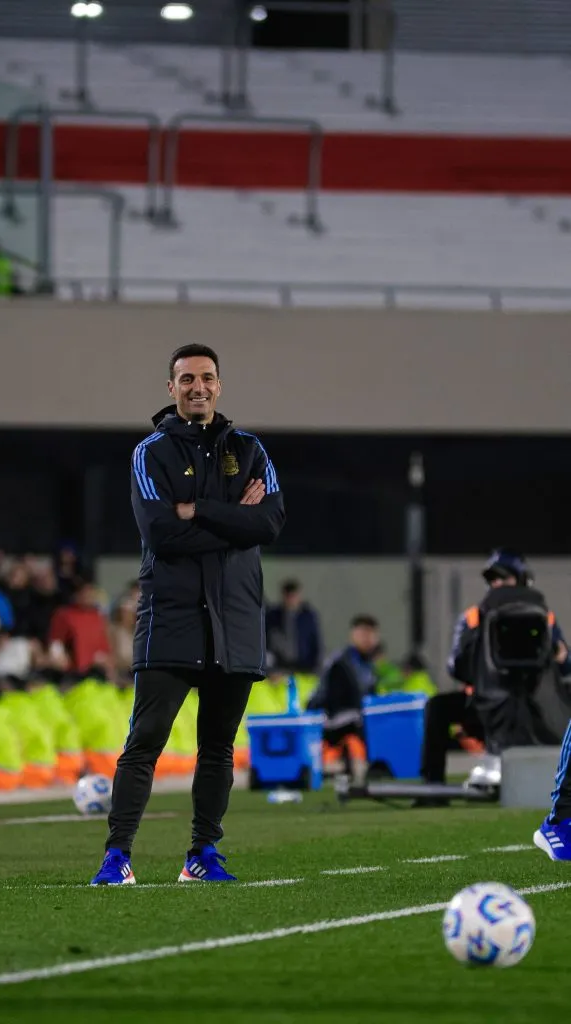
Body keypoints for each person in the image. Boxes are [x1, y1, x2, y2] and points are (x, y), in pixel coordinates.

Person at [91, 343, 285, 886]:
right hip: (171, 618)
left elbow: (270, 523)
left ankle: (202, 854)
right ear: (171, 388)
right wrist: (234, 520)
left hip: (235, 620)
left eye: (206, 377)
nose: (197, 387)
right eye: (186, 379)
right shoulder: (149, 452)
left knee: (217, 747)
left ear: (219, 385)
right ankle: (117, 856)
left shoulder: (249, 450)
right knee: (145, 741)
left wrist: (197, 510)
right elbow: (161, 534)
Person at [421, 548, 571, 807]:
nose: (498, 584)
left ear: (521, 579)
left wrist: (560, 658)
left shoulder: (545, 618)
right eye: (494, 579)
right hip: (488, 707)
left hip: (536, 707)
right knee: (438, 707)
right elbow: (457, 666)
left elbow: (565, 666)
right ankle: (433, 790)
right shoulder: (475, 617)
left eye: (505, 578)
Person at [306, 614, 380, 782]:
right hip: (326, 718)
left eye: (371, 634)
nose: (367, 639)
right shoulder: (341, 662)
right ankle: (359, 765)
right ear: (353, 635)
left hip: (350, 717)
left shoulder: (368, 665)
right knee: (363, 722)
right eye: (363, 633)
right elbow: (330, 702)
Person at [265, 579, 323, 675]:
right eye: (288, 597)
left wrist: (315, 668)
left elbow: (316, 644)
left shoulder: (308, 617)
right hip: (279, 670)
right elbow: (268, 643)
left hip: (304, 670)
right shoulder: (273, 617)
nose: (291, 600)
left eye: (293, 596)